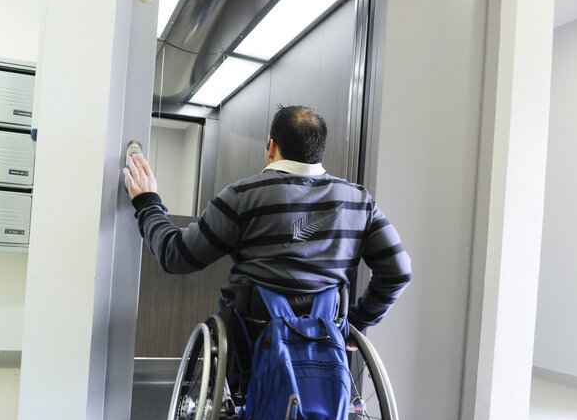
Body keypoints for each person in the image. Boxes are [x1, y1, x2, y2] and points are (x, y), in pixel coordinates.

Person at [124, 105, 411, 333]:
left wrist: (147, 202)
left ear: (271, 147)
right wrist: (357, 323)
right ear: (318, 151)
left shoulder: (243, 196)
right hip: (325, 337)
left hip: (248, 340)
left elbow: (176, 256)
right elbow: (398, 271)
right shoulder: (359, 202)